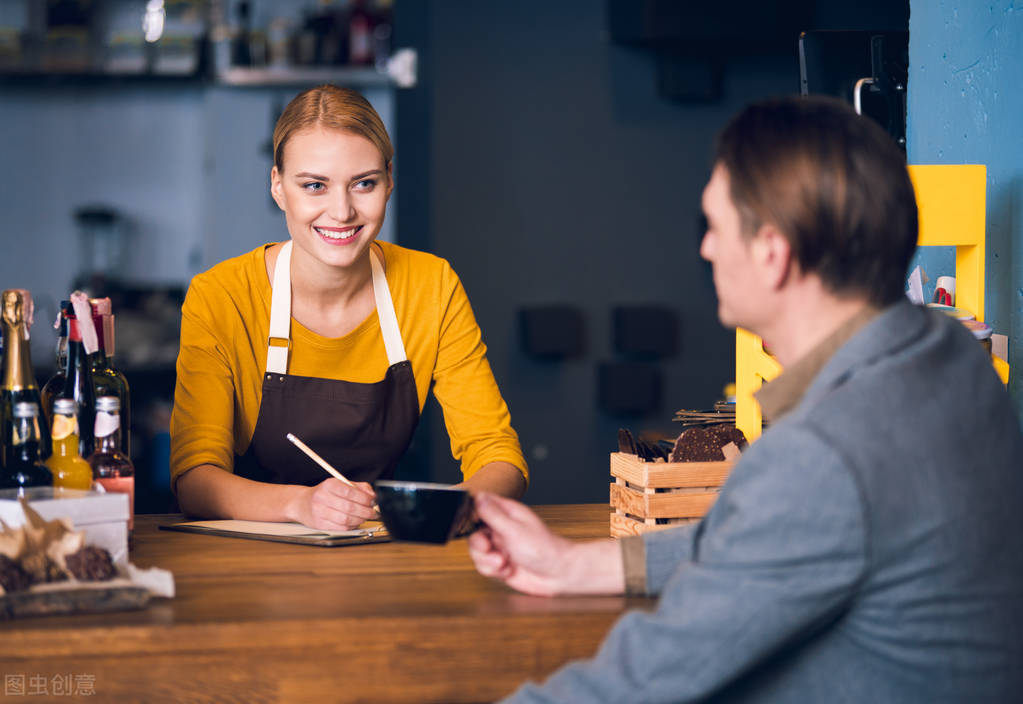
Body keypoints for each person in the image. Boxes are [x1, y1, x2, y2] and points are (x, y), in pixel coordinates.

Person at [469, 96, 1023, 702]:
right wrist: (574, 566)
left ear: (772, 252)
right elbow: (768, 542)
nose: (705, 249)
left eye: (714, 226)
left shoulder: (821, 453)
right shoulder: (950, 354)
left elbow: (638, 681)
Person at [171, 85, 527, 530]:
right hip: (250, 563)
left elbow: (499, 457)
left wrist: (437, 512)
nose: (341, 211)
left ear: (389, 182)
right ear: (278, 186)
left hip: (379, 548)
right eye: (314, 185)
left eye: (364, 184)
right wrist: (302, 506)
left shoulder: (431, 286)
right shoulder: (221, 296)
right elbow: (195, 480)